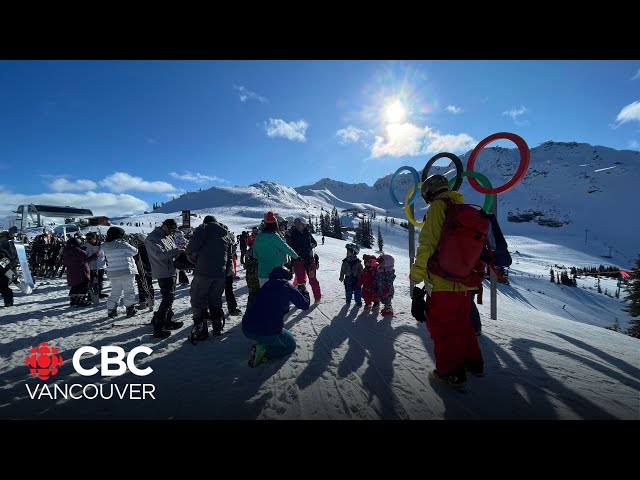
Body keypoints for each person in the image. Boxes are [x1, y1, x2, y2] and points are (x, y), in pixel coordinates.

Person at [409, 174, 484, 390]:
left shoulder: (438, 207)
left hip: (442, 282)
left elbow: (427, 243)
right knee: (462, 323)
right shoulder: (464, 208)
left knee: (441, 326)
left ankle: (450, 372)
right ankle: (474, 363)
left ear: (430, 191)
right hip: (465, 283)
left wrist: (417, 274)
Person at [242, 266, 310, 367]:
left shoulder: (266, 286)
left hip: (247, 329)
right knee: (290, 345)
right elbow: (304, 305)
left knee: (269, 329)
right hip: (269, 330)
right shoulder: (286, 286)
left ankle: (263, 341)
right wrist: (304, 291)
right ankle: (263, 351)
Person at [186, 215, 231, 342]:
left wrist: (189, 255)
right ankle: (217, 326)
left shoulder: (204, 229)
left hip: (203, 272)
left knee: (198, 299)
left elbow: (192, 246)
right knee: (215, 299)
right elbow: (229, 256)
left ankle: (201, 329)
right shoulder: (225, 234)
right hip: (220, 274)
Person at [146, 219, 184, 338]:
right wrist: (176, 251)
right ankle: (159, 326)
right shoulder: (152, 238)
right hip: (163, 272)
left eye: (173, 231)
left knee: (170, 298)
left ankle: (167, 320)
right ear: (164, 226)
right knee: (167, 298)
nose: (171, 233)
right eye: (170, 230)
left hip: (171, 270)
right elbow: (159, 255)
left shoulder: (167, 236)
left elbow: (171, 250)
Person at [252, 211, 299, 287]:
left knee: (265, 294)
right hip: (275, 272)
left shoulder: (258, 237)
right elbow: (286, 248)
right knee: (276, 295)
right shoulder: (275, 237)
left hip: (262, 273)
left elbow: (255, 255)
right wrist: (296, 257)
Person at [101, 226, 139, 318]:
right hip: (126, 271)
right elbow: (135, 252)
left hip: (113, 272)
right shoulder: (122, 244)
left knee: (115, 291)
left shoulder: (105, 245)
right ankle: (130, 309)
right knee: (129, 290)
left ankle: (111, 309)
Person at [289, 217, 322, 302]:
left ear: (303, 225)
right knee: (300, 281)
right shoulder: (293, 234)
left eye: (299, 224)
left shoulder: (307, 234)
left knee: (312, 279)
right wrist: (292, 263)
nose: (297, 226)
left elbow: (315, 243)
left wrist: (312, 245)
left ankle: (317, 297)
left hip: (309, 260)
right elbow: (291, 249)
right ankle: (302, 299)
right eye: (295, 224)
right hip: (298, 260)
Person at [84, 232, 107, 299]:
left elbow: (106, 254)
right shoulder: (86, 246)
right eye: (86, 239)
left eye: (89, 238)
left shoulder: (102, 245)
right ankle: (90, 294)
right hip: (90, 266)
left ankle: (98, 293)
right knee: (90, 281)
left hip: (100, 266)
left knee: (99, 280)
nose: (88, 240)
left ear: (94, 238)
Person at [0, 230, 17, 307]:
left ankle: (8, 301)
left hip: (4, 266)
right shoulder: (7, 243)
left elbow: (10, 256)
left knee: (3, 285)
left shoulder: (6, 243)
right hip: (5, 266)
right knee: (3, 286)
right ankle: (8, 301)